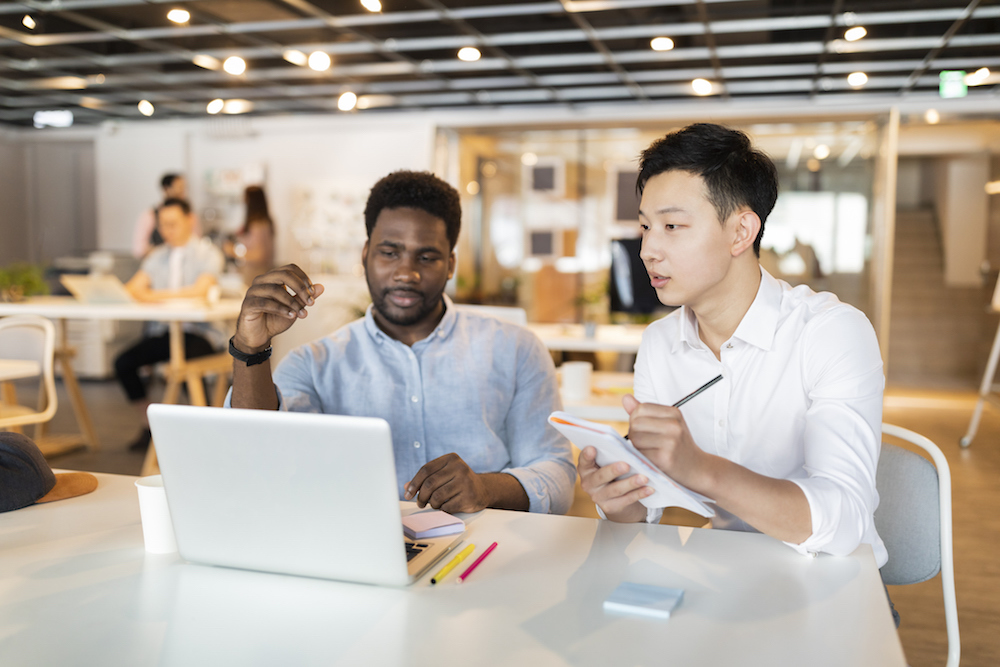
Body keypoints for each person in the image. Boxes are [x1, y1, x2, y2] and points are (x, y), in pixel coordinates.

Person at [579, 124, 887, 567]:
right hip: (724, 574)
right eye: (645, 226)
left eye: (672, 225)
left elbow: (845, 519)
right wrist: (618, 497)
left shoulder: (830, 332)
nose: (648, 249)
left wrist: (702, 469)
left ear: (741, 231)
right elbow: (649, 504)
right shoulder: (660, 342)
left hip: (832, 578)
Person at [228, 170, 575, 514]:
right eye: (389, 253)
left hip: (486, 553)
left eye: (426, 257)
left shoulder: (515, 349)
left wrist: (486, 487)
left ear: (450, 264)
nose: (406, 272)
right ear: (365, 254)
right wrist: (250, 348)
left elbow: (556, 473)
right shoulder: (315, 363)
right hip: (359, 551)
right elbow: (258, 457)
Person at [115, 198, 225, 451]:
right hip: (165, 332)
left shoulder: (208, 254)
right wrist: (151, 295)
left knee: (186, 368)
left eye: (173, 223)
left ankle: (209, 433)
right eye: (162, 224)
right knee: (123, 363)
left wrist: (152, 296)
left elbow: (200, 291)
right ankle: (148, 426)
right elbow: (133, 288)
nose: (167, 230)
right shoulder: (158, 256)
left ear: (189, 220)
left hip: (201, 334)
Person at [131, 174, 201, 259]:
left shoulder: (191, 216)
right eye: (179, 188)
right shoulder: (150, 215)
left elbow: (197, 241)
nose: (182, 193)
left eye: (183, 188)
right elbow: (139, 250)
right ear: (166, 189)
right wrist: (163, 252)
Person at [224, 185, 275, 285]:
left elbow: (259, 255)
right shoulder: (264, 222)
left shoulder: (257, 225)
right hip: (258, 274)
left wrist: (234, 252)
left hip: (256, 276)